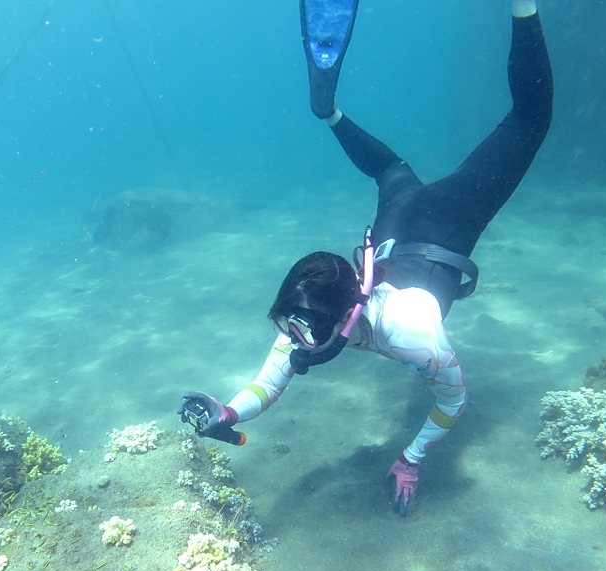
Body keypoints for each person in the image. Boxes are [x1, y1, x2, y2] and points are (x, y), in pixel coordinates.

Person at [179, 0, 552, 515]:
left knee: (531, 116)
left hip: (446, 218)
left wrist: (412, 458)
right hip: (398, 225)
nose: (293, 343)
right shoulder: (309, 314)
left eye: (301, 332)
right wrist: (229, 412)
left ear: (349, 312)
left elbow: (453, 400)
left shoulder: (411, 332)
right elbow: (270, 378)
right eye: (287, 327)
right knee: (391, 172)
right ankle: (327, 110)